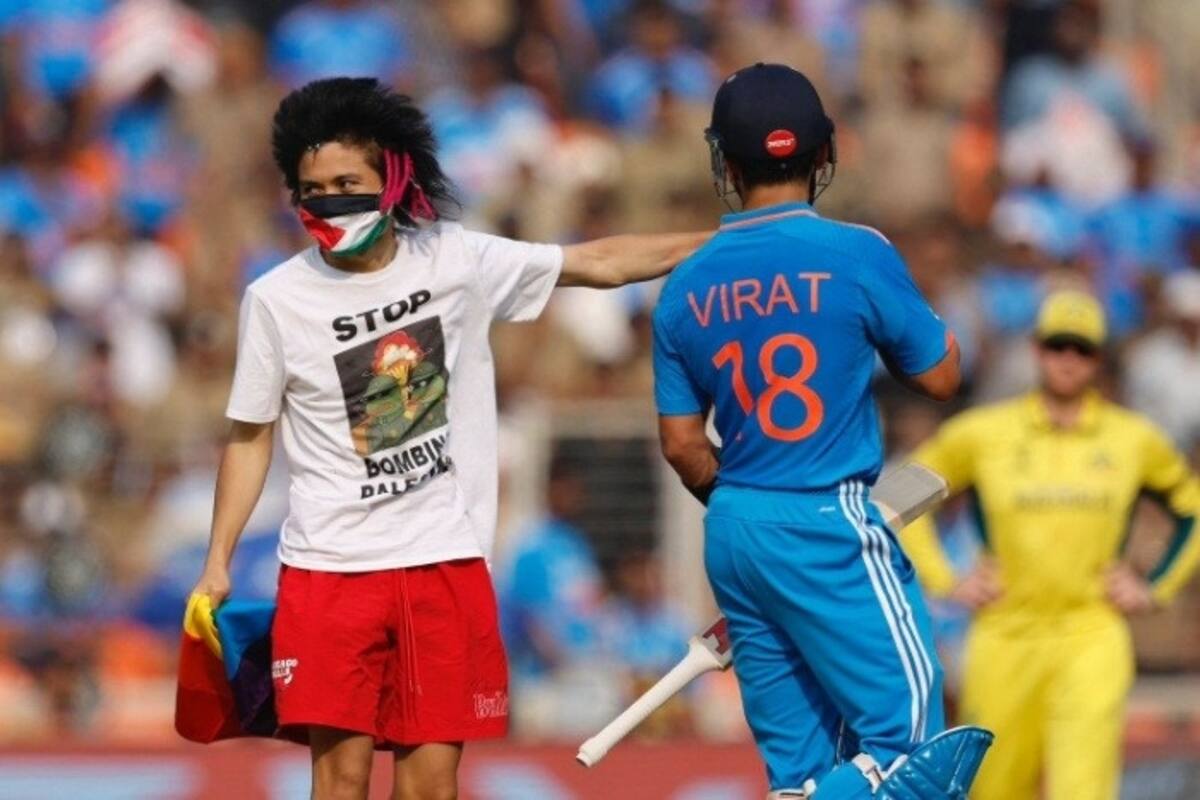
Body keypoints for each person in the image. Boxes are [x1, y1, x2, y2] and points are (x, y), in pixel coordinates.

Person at [188, 77, 706, 800]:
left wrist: (733, 241)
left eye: (347, 182)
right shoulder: (275, 300)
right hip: (327, 572)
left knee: (432, 786)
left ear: (391, 177)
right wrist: (216, 562)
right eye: (311, 189)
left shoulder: (455, 260)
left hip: (444, 565)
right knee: (338, 780)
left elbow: (598, 263)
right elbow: (249, 437)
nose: (329, 202)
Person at [652, 63, 987, 799]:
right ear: (824, 156)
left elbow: (681, 445)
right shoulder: (856, 251)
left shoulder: (685, 285)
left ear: (727, 164)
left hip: (737, 524)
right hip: (828, 518)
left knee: (801, 774)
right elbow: (939, 376)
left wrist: (753, 501)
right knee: (917, 754)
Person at [901, 290, 1200, 800]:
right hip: (1004, 637)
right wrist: (945, 580)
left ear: (1098, 360)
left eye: (1081, 349)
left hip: (1091, 634)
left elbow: (1191, 509)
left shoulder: (1132, 438)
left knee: (1082, 790)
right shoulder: (984, 433)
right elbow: (901, 497)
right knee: (992, 788)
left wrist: (1154, 586)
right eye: (1058, 346)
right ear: (1037, 351)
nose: (1068, 359)